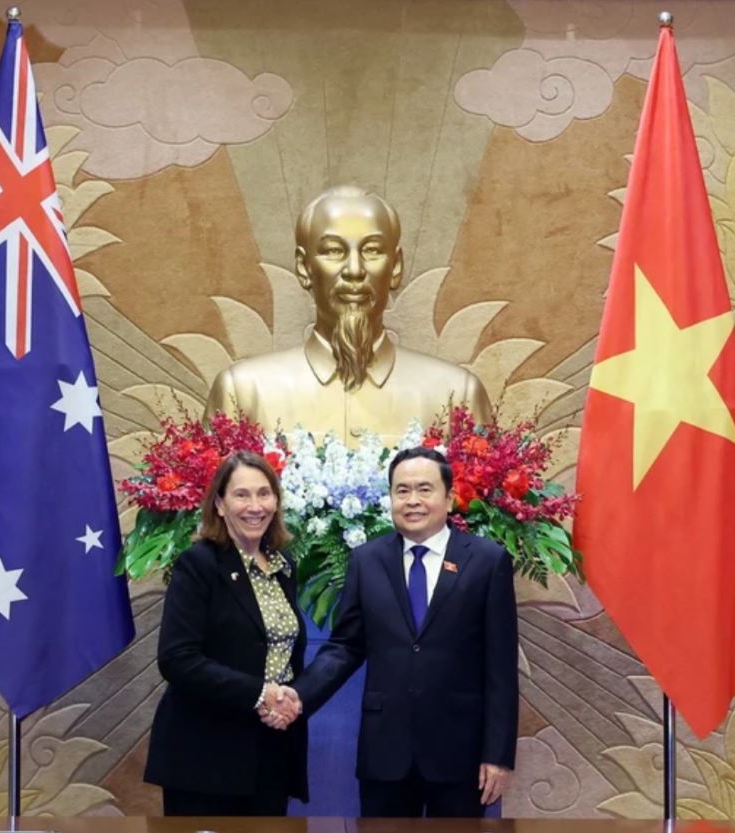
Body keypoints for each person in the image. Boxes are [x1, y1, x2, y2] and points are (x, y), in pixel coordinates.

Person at [285, 446, 518, 817]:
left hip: (459, 754)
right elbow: (345, 647)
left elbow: (501, 667)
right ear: (390, 497)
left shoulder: (487, 561)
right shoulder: (366, 560)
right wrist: (298, 696)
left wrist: (498, 755)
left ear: (449, 497)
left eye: (424, 489)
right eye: (402, 490)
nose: (412, 500)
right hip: (385, 753)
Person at [205, 186, 492, 445]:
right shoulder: (242, 393)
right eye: (333, 251)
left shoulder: (457, 396)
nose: (354, 270)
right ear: (304, 268)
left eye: (372, 250)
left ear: (395, 267)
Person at [144, 451, 307, 816]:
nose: (255, 506)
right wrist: (260, 694)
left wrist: (287, 700)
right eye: (241, 495)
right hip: (206, 756)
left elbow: (281, 656)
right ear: (219, 504)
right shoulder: (198, 563)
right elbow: (177, 659)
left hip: (271, 751)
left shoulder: (284, 566)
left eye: (264, 494)